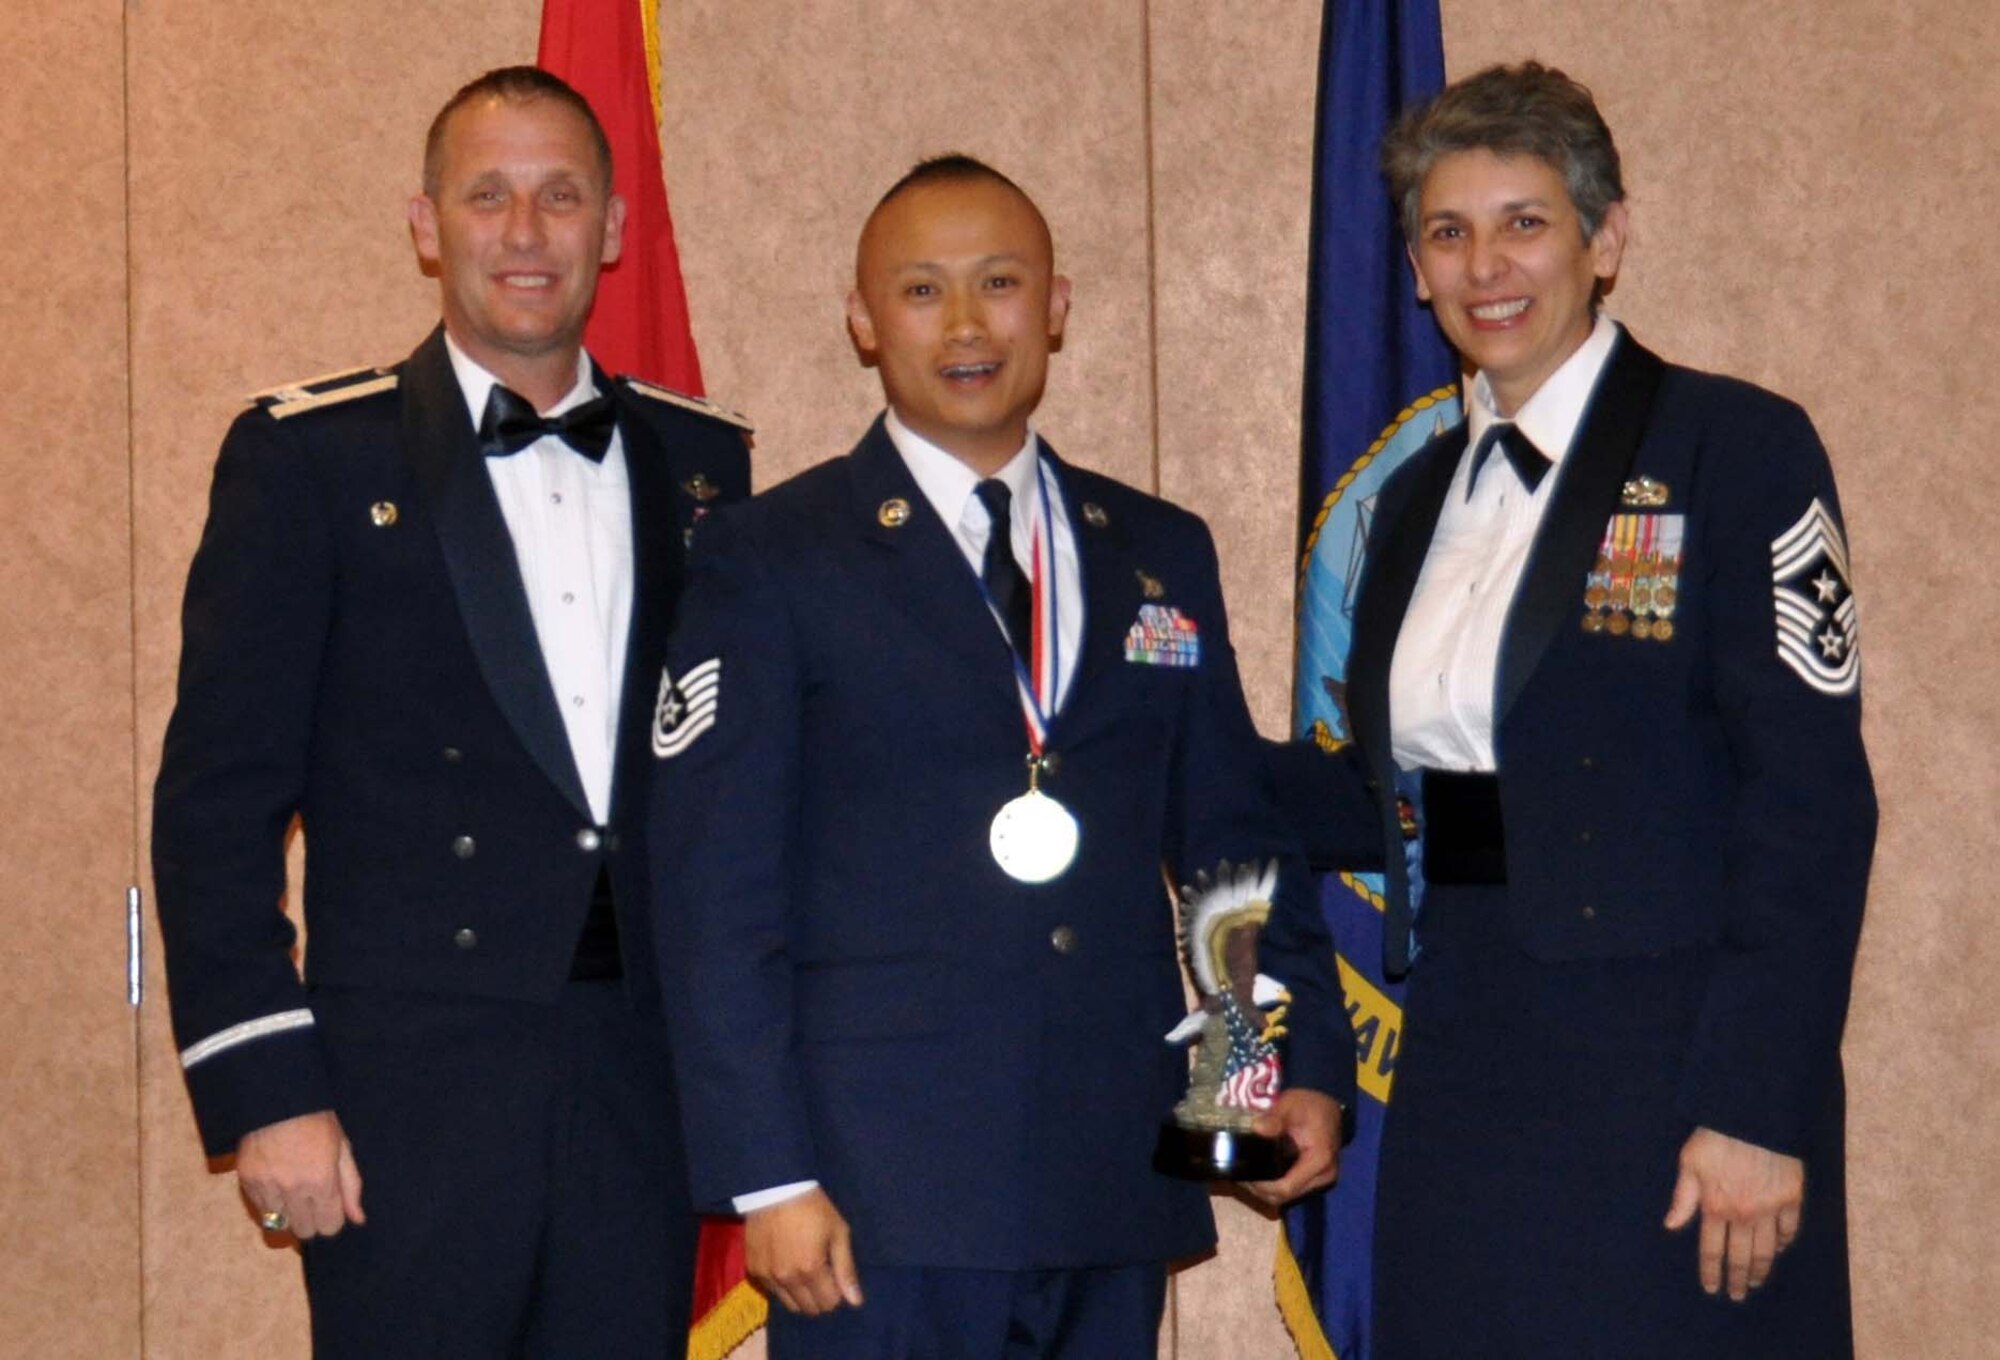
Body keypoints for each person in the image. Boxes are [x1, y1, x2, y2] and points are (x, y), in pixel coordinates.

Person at [648, 156, 1354, 1359]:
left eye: (1000, 283)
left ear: (1057, 306)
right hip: (873, 1201)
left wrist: (1268, 1073)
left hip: (1102, 1177)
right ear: (864, 321)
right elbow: (717, 895)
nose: (967, 324)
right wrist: (766, 1177)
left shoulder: (1154, 548)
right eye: (922, 291)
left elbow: (1226, 849)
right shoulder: (771, 556)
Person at [151, 66, 749, 1357]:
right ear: (427, 224)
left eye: (559, 197)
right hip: (399, 1092)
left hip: (637, 1084)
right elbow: (218, 801)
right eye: (489, 197)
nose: (525, 234)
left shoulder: (707, 465)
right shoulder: (312, 459)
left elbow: (730, 795)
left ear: (616, 227)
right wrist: (270, 1086)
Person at [1281, 61, 1874, 1358]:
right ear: (1418, 269)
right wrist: (1163, 757)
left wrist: (1757, 1105)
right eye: (1448, 232)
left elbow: (1810, 801)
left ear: (1606, 239)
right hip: (1467, 1050)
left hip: (1674, 1075)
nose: (1484, 264)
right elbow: (1406, 793)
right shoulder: (1416, 502)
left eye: (1524, 222)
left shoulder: (1735, 449)